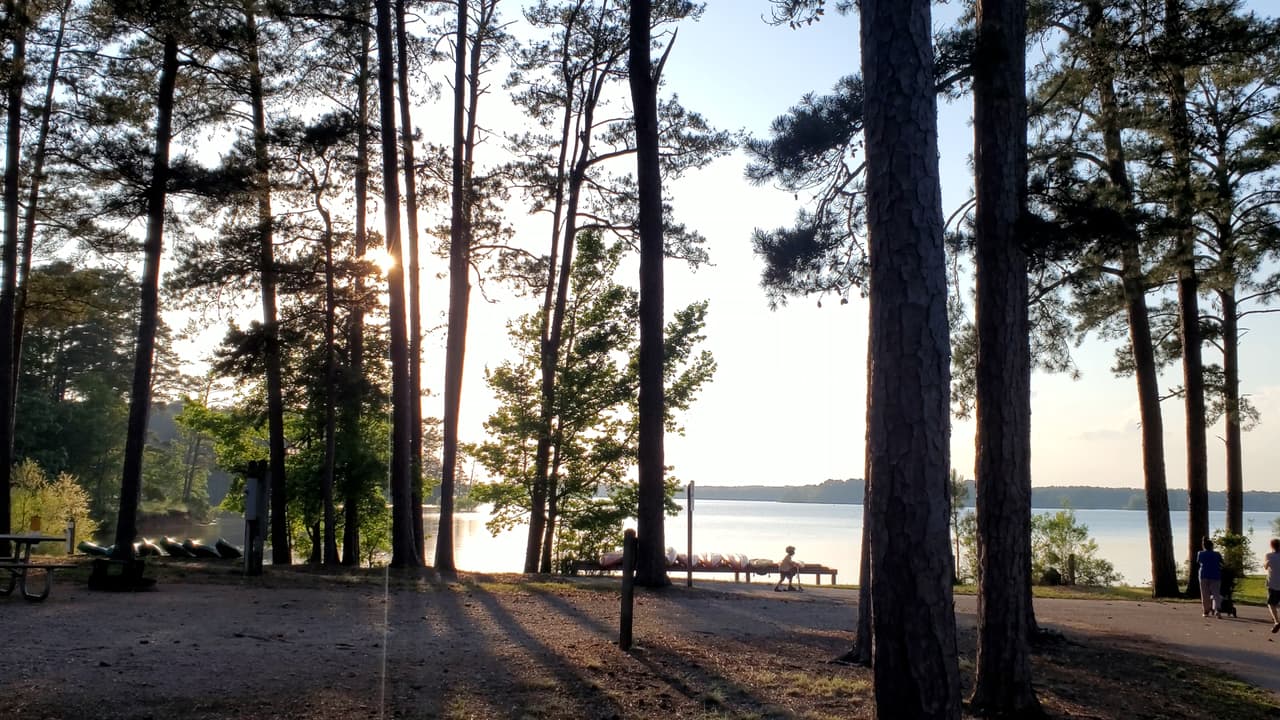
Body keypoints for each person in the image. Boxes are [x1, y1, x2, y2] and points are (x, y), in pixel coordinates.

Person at [1197, 537, 1224, 618]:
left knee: (1205, 594)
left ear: (1204, 546)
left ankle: (1206, 611)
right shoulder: (1217, 554)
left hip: (1204, 575)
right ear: (1212, 546)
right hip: (1215, 575)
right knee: (1216, 593)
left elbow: (1198, 562)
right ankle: (1217, 610)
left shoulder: (1200, 553)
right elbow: (1222, 563)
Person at [1265, 539, 1280, 633]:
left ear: (1271, 546)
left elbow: (1266, 567)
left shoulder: (1269, 556)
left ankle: (1276, 621)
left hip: (1273, 583)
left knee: (1271, 603)